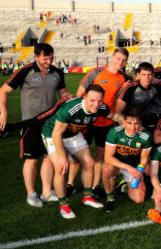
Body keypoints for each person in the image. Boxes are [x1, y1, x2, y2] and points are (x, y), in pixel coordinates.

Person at [0, 43, 69, 207]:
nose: (49, 61)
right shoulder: (25, 71)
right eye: (45, 58)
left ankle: (46, 192)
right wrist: (3, 110)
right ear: (36, 57)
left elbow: (63, 94)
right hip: (30, 122)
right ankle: (31, 194)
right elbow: (3, 90)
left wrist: (68, 97)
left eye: (51, 58)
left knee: (47, 157)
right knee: (31, 160)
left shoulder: (57, 72)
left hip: (51, 123)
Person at [41, 84, 123, 219]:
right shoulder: (71, 108)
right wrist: (62, 157)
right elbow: (57, 134)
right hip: (52, 134)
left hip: (73, 134)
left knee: (90, 163)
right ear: (84, 97)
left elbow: (114, 116)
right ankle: (64, 206)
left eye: (100, 100)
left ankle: (87, 197)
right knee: (61, 168)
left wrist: (131, 124)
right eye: (92, 100)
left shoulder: (101, 107)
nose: (96, 104)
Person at [74, 47, 130, 199]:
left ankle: (95, 186)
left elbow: (136, 82)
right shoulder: (96, 72)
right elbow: (79, 94)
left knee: (100, 155)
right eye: (118, 59)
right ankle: (70, 185)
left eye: (124, 60)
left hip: (106, 122)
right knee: (77, 154)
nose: (121, 62)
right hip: (87, 121)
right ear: (112, 57)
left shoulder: (124, 78)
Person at [102, 108, 152, 212]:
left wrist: (139, 171)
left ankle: (126, 186)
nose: (133, 127)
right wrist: (127, 168)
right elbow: (108, 157)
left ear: (140, 123)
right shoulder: (114, 132)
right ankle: (110, 199)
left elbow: (144, 158)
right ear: (124, 122)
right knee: (106, 169)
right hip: (117, 166)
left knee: (139, 199)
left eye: (136, 123)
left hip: (134, 166)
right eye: (129, 123)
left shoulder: (145, 136)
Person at [116, 62, 161, 132]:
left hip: (144, 116)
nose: (146, 78)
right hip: (129, 118)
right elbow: (118, 110)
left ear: (153, 75)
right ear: (138, 75)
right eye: (143, 74)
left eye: (149, 75)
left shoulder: (157, 84)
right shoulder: (130, 87)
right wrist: (126, 126)